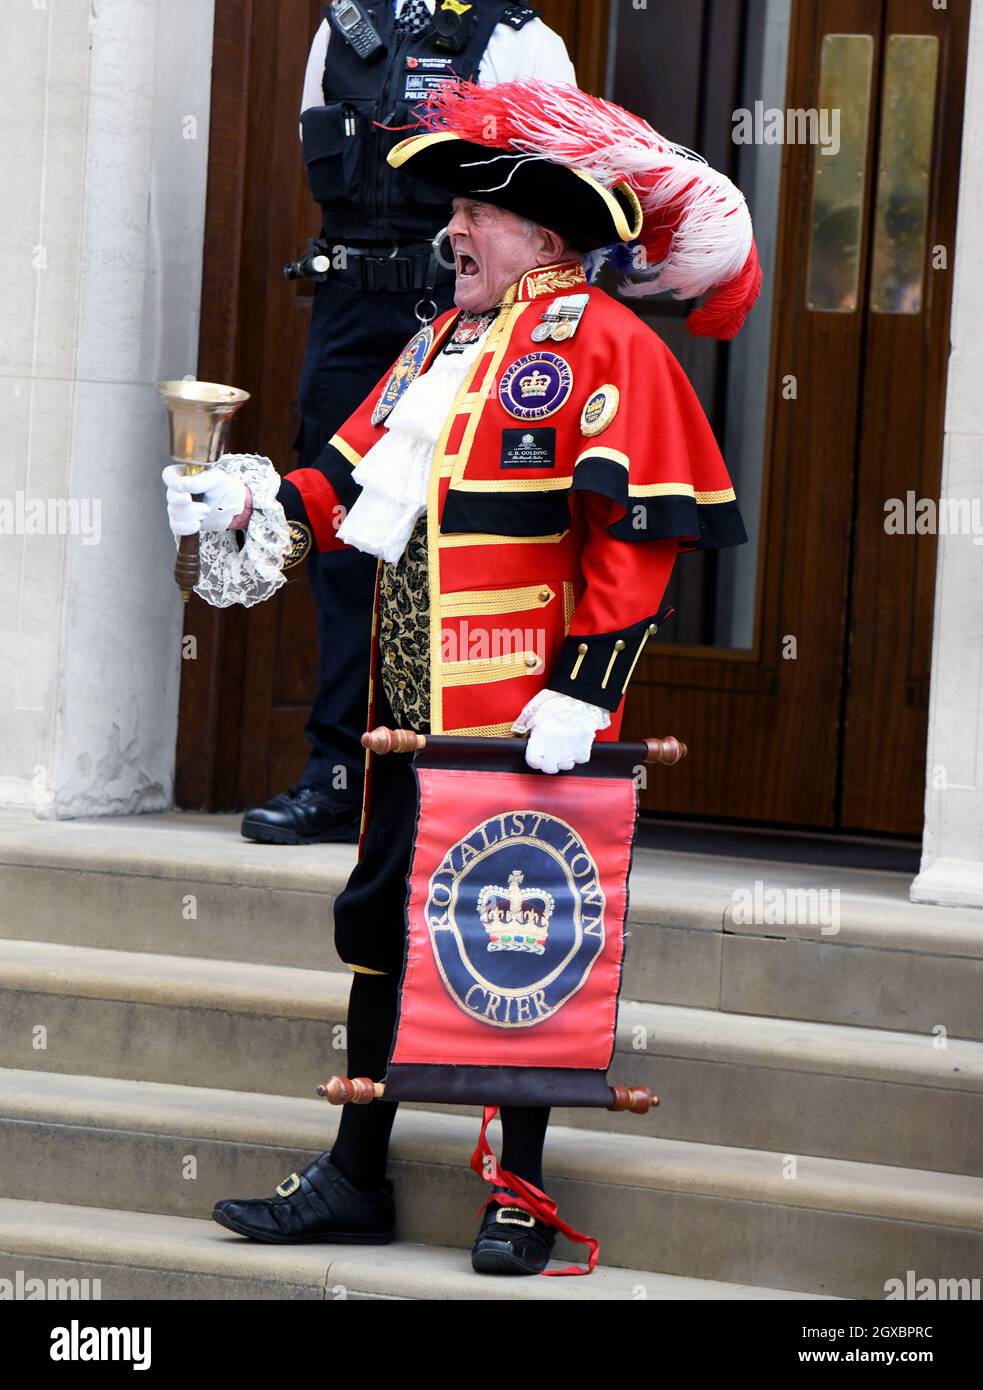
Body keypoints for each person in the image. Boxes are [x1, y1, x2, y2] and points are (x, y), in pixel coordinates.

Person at [164, 78, 760, 1276]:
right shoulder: (435, 343)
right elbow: (348, 485)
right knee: (385, 923)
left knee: (516, 930)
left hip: (526, 716)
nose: (446, 233)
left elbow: (636, 538)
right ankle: (354, 1172)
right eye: (449, 217)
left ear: (544, 238)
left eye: (471, 217)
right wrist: (246, 499)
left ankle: (521, 1190)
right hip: (405, 711)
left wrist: (585, 692)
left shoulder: (604, 344)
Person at [242, 0, 576, 847]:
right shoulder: (342, 28)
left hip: (464, 308)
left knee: (460, 543)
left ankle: (454, 768)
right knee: (342, 537)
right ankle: (338, 775)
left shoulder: (520, 40)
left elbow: (549, 196)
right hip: (351, 311)